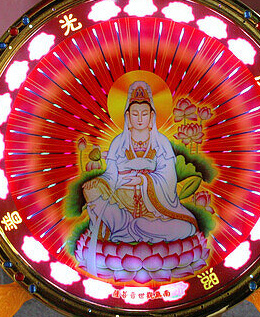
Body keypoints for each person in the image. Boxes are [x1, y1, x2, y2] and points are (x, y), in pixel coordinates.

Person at [83, 80, 198, 243]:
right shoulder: (118, 143)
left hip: (157, 210)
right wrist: (98, 182)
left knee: (187, 228)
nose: (139, 119)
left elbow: (169, 178)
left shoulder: (161, 143)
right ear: (127, 116)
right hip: (123, 204)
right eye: (135, 114)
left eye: (144, 114)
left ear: (152, 116)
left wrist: (143, 180)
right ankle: (127, 227)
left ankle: (132, 230)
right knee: (92, 191)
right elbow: (110, 175)